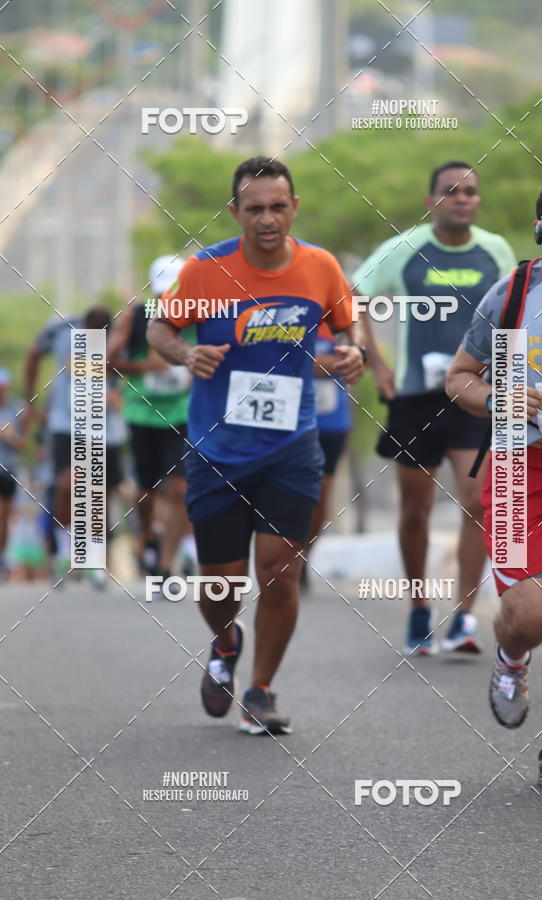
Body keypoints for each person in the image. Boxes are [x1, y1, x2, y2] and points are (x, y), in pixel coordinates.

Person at [148, 156, 365, 735]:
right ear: (235, 212)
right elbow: (159, 328)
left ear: (294, 207)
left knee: (279, 570)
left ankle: (261, 691)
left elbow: (350, 323)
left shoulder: (320, 266)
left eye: (277, 207)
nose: (267, 219)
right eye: (255, 209)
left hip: (292, 445)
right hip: (217, 449)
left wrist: (355, 350)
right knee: (218, 585)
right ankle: (225, 641)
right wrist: (185, 353)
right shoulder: (205, 270)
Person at [446, 162, 542, 790]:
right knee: (531, 616)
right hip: (519, 469)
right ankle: (512, 656)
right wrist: (499, 398)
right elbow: (459, 378)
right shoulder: (512, 294)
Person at [354, 161, 516, 655]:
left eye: (470, 191)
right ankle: (419, 608)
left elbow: (513, 315)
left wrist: (507, 381)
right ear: (431, 202)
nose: (461, 198)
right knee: (415, 510)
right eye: (450, 191)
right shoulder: (405, 249)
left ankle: (464, 617)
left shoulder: (495, 251)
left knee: (477, 502)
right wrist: (375, 363)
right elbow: (353, 296)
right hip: (415, 398)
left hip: (473, 394)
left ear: (478, 201)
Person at [24, 307, 123, 585]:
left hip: (105, 428)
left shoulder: (120, 336)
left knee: (99, 493)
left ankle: (96, 558)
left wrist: (117, 393)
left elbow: (128, 373)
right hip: (66, 422)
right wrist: (31, 402)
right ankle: (66, 551)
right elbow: (33, 355)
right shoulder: (61, 331)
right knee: (68, 485)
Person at [107, 256, 191, 580]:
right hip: (142, 413)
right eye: (161, 293)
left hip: (182, 413)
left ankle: (167, 564)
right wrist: (145, 367)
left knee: (180, 488)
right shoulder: (135, 316)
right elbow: (106, 360)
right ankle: (148, 536)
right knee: (146, 490)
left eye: (174, 292)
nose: (166, 299)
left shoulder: (200, 316)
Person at [300, 321, 352, 590]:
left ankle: (304, 555)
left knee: (320, 493)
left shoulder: (342, 322)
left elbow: (358, 359)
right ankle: (284, 551)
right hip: (291, 423)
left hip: (331, 423)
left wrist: (310, 362)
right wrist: (325, 363)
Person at [0, 368, 26, 579]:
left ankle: (1, 557)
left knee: (4, 517)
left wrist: (10, 436)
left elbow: (23, 444)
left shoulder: (15, 408)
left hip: (8, 470)